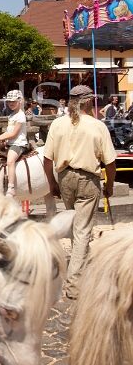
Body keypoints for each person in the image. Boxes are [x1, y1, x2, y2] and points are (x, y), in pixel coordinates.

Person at [43, 85, 116, 300]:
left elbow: (47, 160)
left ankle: (79, 270)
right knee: (83, 230)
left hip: (65, 177)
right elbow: (110, 163)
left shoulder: (57, 124)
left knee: (77, 228)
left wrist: (52, 183)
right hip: (87, 179)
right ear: (87, 102)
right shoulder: (97, 126)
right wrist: (109, 185)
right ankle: (74, 284)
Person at [0, 89, 28, 197]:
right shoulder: (11, 116)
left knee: (10, 160)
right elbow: (8, 132)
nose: (11, 103)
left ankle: (11, 187)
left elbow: (14, 134)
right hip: (10, 143)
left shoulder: (21, 115)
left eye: (13, 101)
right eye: (9, 101)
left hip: (18, 143)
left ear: (19, 101)